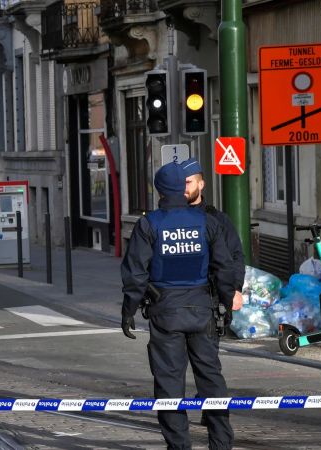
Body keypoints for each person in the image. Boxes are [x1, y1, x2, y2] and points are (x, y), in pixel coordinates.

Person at [120, 161, 242, 450]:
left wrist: (128, 310)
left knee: (169, 385)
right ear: (182, 188)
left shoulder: (149, 224)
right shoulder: (207, 222)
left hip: (165, 314)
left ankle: (179, 447)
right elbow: (225, 267)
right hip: (203, 310)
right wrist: (226, 303)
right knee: (211, 380)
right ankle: (221, 444)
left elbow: (135, 273)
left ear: (159, 190)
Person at [182, 158, 245, 311]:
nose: (183, 188)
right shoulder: (166, 219)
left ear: (201, 184)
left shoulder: (217, 219)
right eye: (180, 183)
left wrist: (235, 289)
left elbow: (234, 255)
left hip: (209, 297)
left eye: (188, 182)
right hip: (175, 297)